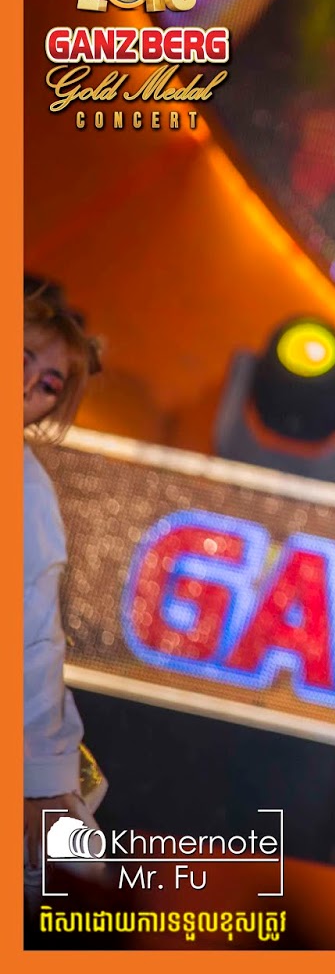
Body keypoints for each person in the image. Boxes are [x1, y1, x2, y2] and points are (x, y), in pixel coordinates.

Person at [22, 277, 106, 902]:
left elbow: (33, 644)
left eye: (49, 384)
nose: (27, 385)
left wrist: (43, 783)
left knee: (79, 883)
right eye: (20, 357)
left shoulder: (25, 493)